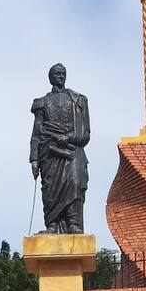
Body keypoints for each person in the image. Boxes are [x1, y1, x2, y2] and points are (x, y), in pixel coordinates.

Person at [29, 63, 90, 233]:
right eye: (57, 73)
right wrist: (34, 158)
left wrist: (68, 137)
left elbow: (86, 133)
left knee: (75, 182)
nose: (61, 76)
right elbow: (36, 133)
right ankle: (52, 224)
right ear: (51, 77)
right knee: (50, 188)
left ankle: (73, 223)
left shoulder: (78, 100)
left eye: (64, 73)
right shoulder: (42, 102)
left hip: (72, 150)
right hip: (49, 152)